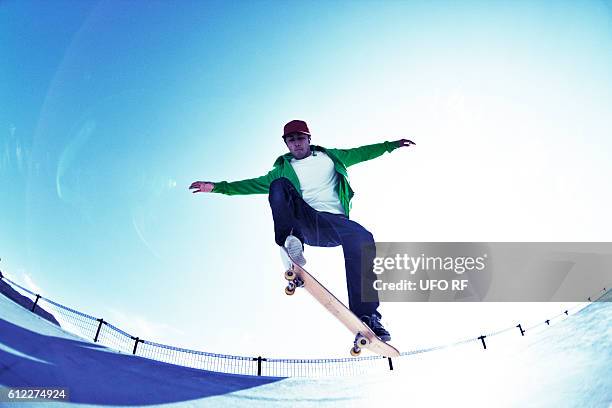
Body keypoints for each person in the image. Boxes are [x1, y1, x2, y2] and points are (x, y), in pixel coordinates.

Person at [190, 120, 415, 341]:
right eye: (291, 140)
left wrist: (391, 145)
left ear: (309, 139)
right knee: (277, 186)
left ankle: (367, 316)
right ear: (286, 144)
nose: (296, 144)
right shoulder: (282, 171)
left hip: (334, 225)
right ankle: (291, 243)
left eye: (300, 138)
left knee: (362, 236)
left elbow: (364, 152)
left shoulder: (333, 157)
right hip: (305, 222)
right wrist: (217, 187)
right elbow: (247, 185)